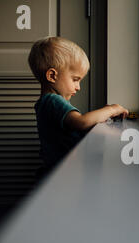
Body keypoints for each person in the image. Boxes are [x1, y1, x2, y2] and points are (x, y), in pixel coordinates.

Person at [28, 37, 129, 179]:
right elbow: (81, 122)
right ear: (52, 75)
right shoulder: (53, 101)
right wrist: (111, 109)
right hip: (62, 174)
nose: (78, 87)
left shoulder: (45, 103)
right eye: (75, 79)